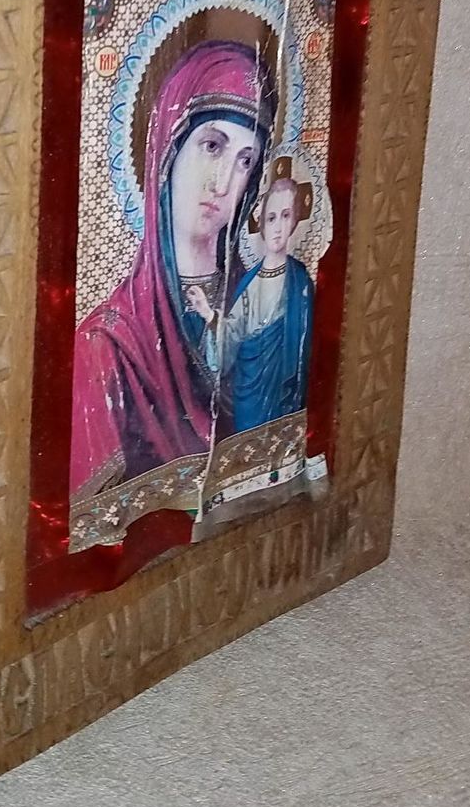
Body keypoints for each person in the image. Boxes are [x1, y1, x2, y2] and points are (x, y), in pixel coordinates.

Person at [69, 39, 276, 499]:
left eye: (245, 161)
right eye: (212, 146)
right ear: (168, 150)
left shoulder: (261, 301)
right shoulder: (107, 346)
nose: (223, 182)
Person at [188, 156, 314, 434]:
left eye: (286, 216)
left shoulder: (301, 282)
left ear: (295, 221)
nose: (278, 226)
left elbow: (308, 346)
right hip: (250, 396)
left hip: (286, 396)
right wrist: (209, 314)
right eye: (271, 217)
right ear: (261, 223)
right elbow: (232, 338)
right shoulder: (250, 283)